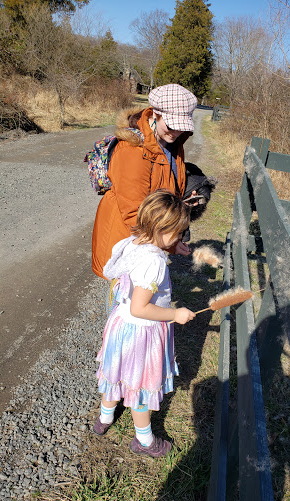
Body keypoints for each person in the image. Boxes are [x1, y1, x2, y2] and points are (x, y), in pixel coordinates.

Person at [93, 190, 196, 458]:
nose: (181, 238)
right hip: (141, 333)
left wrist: (172, 247)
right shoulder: (154, 262)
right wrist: (175, 314)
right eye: (178, 234)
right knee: (139, 387)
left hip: (121, 324)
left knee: (116, 374)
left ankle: (104, 419)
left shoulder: (134, 242)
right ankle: (144, 440)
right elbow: (141, 308)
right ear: (162, 229)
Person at [92, 83, 199, 280]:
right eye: (171, 124)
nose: (175, 132)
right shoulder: (132, 150)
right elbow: (134, 212)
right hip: (127, 240)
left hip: (148, 239)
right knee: (129, 306)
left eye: (181, 127)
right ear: (155, 114)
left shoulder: (171, 142)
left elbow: (170, 185)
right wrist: (169, 242)